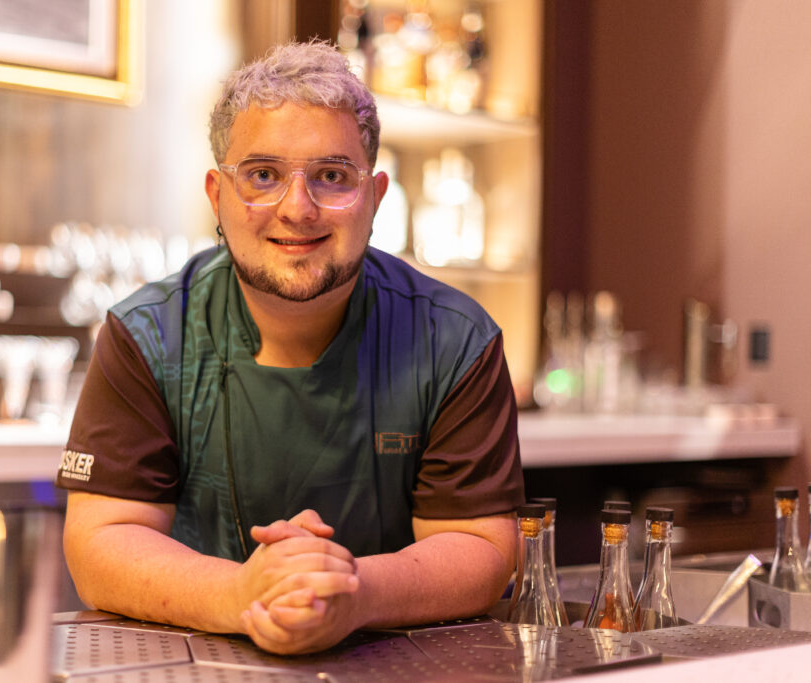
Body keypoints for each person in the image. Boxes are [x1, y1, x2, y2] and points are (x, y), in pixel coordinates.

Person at [57, 40, 524, 655]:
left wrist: (353, 591)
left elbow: (482, 547)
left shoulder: (456, 340)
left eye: (332, 176)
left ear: (376, 197)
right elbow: (100, 544)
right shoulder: (147, 334)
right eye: (262, 176)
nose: (297, 209)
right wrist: (241, 593)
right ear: (217, 195)